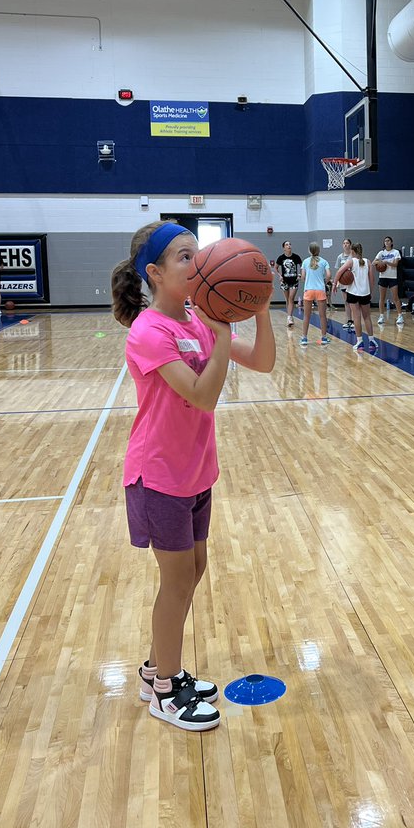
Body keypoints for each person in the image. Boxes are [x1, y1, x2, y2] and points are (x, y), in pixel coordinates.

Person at [111, 221, 275, 731]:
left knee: (193, 571)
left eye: (197, 253)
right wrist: (221, 335)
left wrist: (259, 309)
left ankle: (157, 668)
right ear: (155, 273)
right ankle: (164, 691)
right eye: (185, 256)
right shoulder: (150, 331)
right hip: (158, 475)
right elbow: (202, 396)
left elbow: (264, 362)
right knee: (178, 580)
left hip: (195, 471)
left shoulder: (198, 319)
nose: (197, 262)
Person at [343, 242, 377, 353]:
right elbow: (372, 280)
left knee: (356, 317)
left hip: (353, 293)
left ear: (352, 251)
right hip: (365, 293)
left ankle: (360, 341)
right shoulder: (368, 262)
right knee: (367, 317)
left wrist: (334, 284)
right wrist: (370, 292)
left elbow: (339, 272)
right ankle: (372, 340)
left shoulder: (351, 261)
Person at [299, 242, 330, 346]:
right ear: (319, 250)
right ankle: (324, 337)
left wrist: (307, 280)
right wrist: (324, 282)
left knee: (306, 316)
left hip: (309, 290)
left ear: (309, 251)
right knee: (322, 316)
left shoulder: (305, 261)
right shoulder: (324, 261)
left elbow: (303, 277)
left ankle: (304, 338)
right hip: (320, 290)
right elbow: (329, 275)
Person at [374, 236, 404, 325]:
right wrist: (380, 262)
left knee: (395, 298)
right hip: (383, 277)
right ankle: (381, 316)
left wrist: (386, 262)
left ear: (391, 242)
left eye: (388, 241)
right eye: (385, 241)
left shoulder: (396, 252)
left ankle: (400, 316)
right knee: (382, 298)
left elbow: (395, 264)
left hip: (392, 277)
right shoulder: (381, 253)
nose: (387, 242)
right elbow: (373, 262)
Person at [273, 241, 302, 327]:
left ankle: (289, 317)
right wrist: (280, 275)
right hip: (284, 281)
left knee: (291, 298)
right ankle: (289, 316)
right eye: (287, 244)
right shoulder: (281, 258)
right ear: (284, 248)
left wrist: (300, 274)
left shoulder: (296, 257)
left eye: (290, 244)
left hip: (294, 281)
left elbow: (302, 266)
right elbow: (275, 267)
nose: (289, 246)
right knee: (287, 299)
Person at [333, 238, 353, 321]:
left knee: (354, 302)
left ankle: (356, 320)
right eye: (344, 243)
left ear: (350, 245)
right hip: (344, 282)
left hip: (353, 282)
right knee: (346, 301)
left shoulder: (353, 255)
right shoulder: (340, 257)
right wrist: (337, 281)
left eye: (347, 243)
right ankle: (349, 320)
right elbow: (338, 270)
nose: (345, 244)